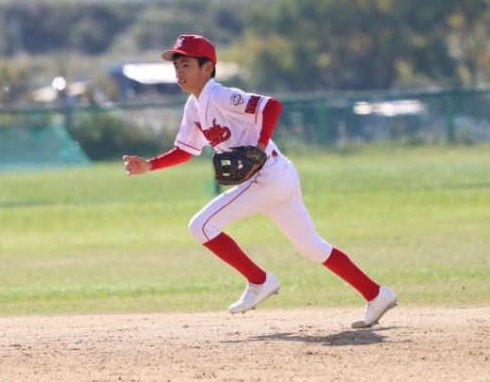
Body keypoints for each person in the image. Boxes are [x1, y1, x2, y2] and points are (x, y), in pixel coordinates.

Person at [122, 34, 397, 328]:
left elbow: (272, 106)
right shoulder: (194, 105)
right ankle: (376, 294)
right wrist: (150, 165)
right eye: (176, 66)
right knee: (312, 247)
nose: (179, 72)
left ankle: (259, 280)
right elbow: (186, 150)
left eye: (186, 65)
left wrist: (260, 147)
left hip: (268, 176)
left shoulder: (220, 96)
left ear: (207, 67)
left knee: (201, 226)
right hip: (278, 175)